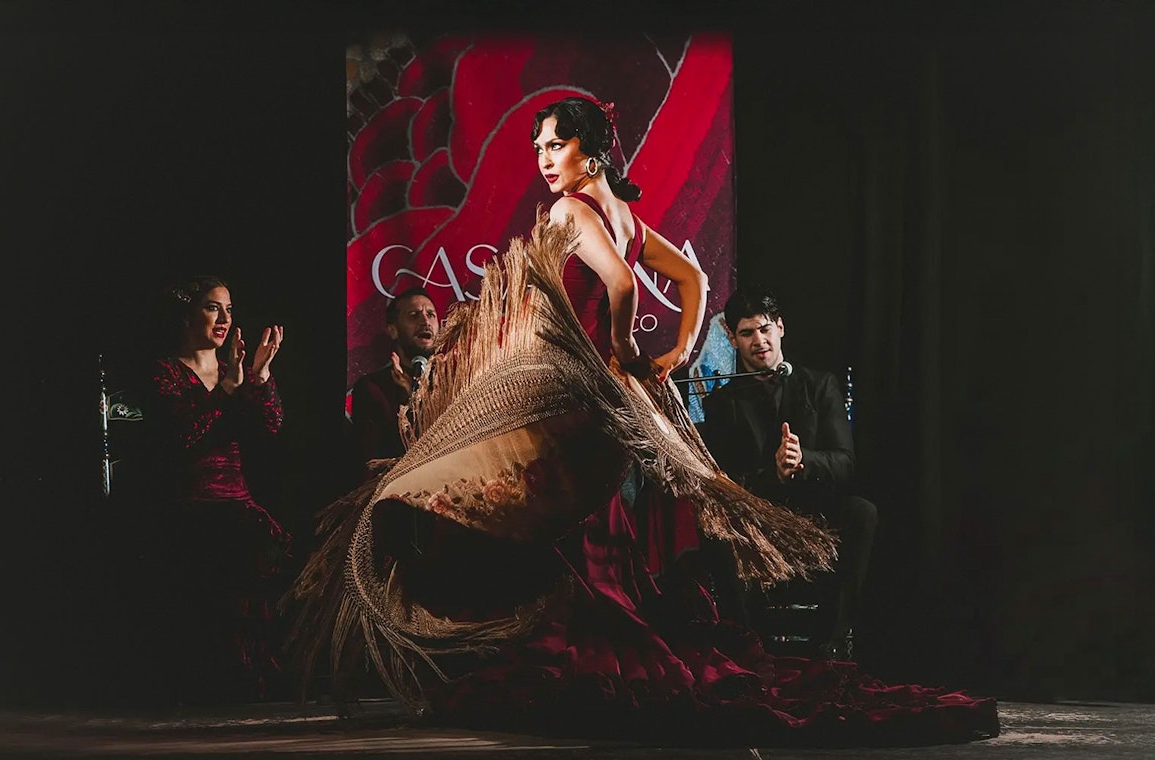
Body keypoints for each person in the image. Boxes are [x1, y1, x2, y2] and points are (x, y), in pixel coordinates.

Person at [286, 97, 997, 747]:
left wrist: (626, 352)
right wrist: (675, 350)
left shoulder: (571, 214)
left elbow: (624, 286)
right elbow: (693, 282)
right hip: (604, 407)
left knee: (547, 526)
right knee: (584, 533)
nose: (542, 159)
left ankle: (541, 652)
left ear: (589, 154)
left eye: (555, 146)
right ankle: (540, 639)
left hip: (583, 401)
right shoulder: (621, 216)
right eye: (538, 147)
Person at [138, 274, 292, 705]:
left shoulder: (234, 369)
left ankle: (251, 685)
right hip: (189, 505)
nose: (224, 318)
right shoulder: (164, 372)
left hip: (236, 502)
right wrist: (227, 391)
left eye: (229, 309)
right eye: (213, 308)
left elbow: (271, 426)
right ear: (188, 315)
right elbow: (185, 435)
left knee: (258, 557)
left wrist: (259, 378)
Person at [702, 288, 876, 661]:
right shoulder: (720, 403)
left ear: (780, 328)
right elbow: (724, 482)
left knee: (862, 512)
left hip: (815, 512)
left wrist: (804, 461)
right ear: (732, 338)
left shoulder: (820, 385)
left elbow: (845, 462)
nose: (758, 341)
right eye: (746, 333)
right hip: (756, 521)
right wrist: (774, 475)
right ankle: (749, 649)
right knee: (711, 527)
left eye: (764, 329)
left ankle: (829, 643)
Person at [348, 286, 439, 468]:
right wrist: (408, 396)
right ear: (393, 330)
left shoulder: (453, 382)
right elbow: (374, 459)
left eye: (431, 314)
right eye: (414, 315)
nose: (425, 321)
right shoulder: (371, 388)